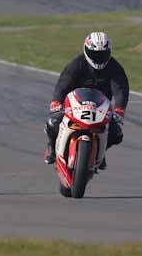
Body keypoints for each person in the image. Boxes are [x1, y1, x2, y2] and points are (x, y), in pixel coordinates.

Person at [43, 32, 128, 170]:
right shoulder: (77, 64)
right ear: (86, 50)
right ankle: (52, 146)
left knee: (116, 133)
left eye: (102, 54)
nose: (99, 58)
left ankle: (100, 151)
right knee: (53, 122)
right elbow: (63, 83)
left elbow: (121, 89)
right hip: (74, 102)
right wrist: (56, 101)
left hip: (100, 106)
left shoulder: (115, 68)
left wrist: (119, 108)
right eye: (95, 54)